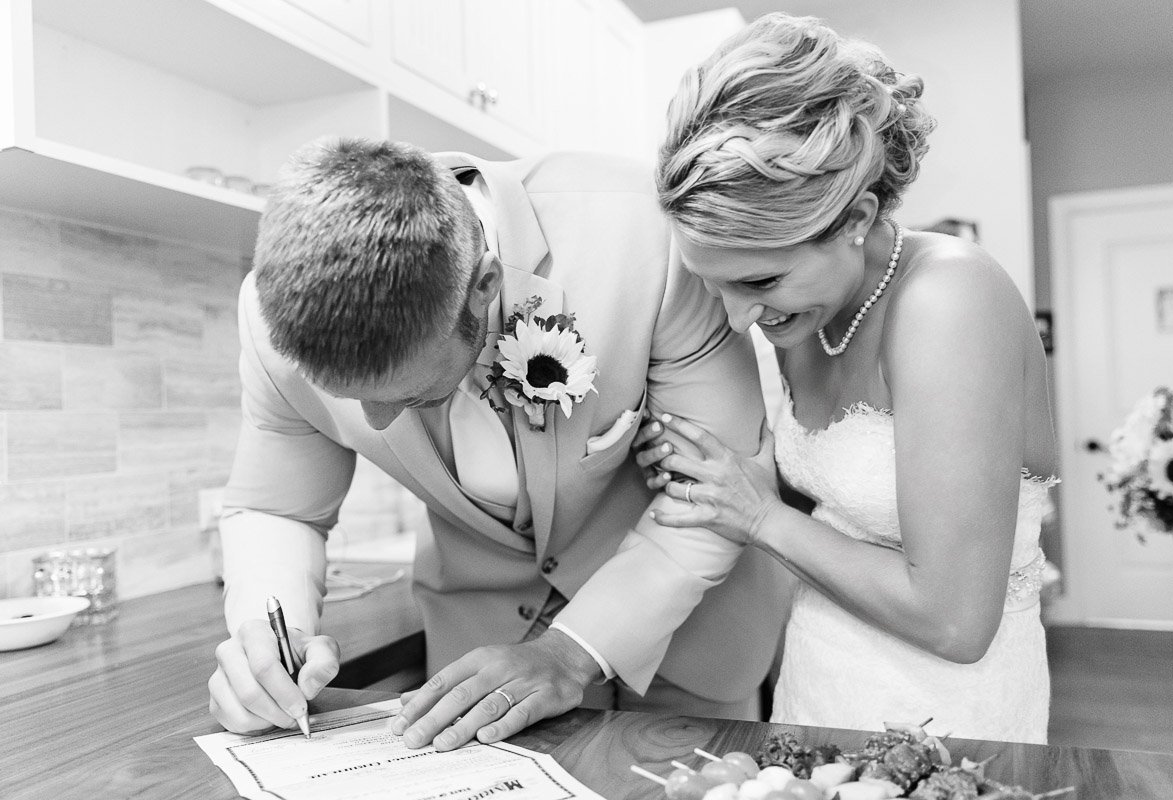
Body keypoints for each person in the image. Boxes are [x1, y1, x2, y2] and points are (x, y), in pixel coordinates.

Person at [207, 137, 794, 751]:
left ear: (483, 285)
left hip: (692, 635)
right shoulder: (267, 319)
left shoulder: (648, 235)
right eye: (352, 396)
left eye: (405, 393)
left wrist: (570, 652)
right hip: (477, 655)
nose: (378, 424)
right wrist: (269, 640)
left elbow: (719, 489)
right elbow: (280, 508)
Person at [637, 13, 1057, 743]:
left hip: (944, 714)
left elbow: (955, 621)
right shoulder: (807, 309)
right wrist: (727, 472)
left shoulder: (949, 301)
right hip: (819, 675)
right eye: (717, 286)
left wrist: (760, 516)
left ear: (858, 216)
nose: (738, 320)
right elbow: (834, 506)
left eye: (761, 279)